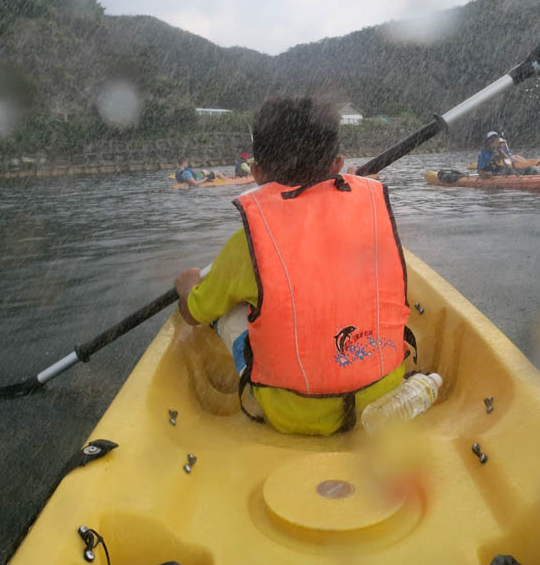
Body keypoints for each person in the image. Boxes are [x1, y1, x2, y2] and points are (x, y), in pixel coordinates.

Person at [174, 97, 411, 436]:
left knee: (227, 311)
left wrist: (187, 288)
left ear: (256, 172)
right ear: (339, 164)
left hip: (294, 414)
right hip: (382, 396)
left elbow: (194, 314)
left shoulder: (248, 244)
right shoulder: (373, 218)